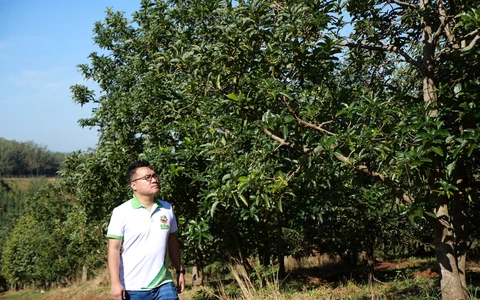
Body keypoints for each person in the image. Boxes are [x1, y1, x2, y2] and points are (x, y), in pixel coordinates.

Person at [107, 160, 185, 300]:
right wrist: (115, 283)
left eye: (154, 176)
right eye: (147, 178)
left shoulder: (167, 208)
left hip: (163, 283)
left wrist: (180, 270)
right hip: (134, 287)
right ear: (134, 185)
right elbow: (114, 249)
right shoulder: (121, 212)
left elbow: (172, 242)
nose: (154, 180)